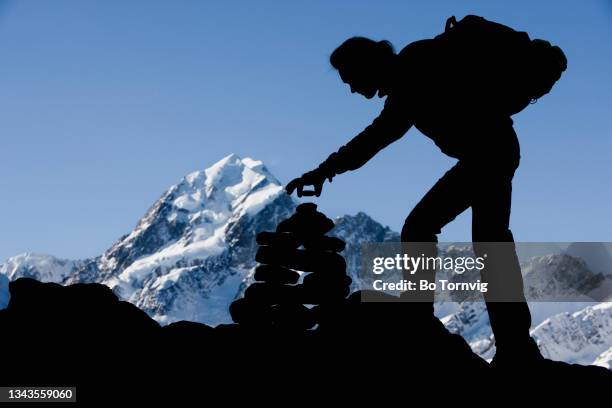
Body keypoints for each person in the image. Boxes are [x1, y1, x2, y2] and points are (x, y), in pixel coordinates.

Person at [285, 35, 543, 365]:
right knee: (480, 241)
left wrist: (324, 171)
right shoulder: (408, 75)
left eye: (350, 79)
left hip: (488, 156)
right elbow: (377, 136)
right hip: (490, 154)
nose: (351, 89)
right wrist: (324, 171)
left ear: (366, 67)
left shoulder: (411, 74)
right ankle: (510, 345)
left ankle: (429, 318)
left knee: (438, 231)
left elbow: (375, 138)